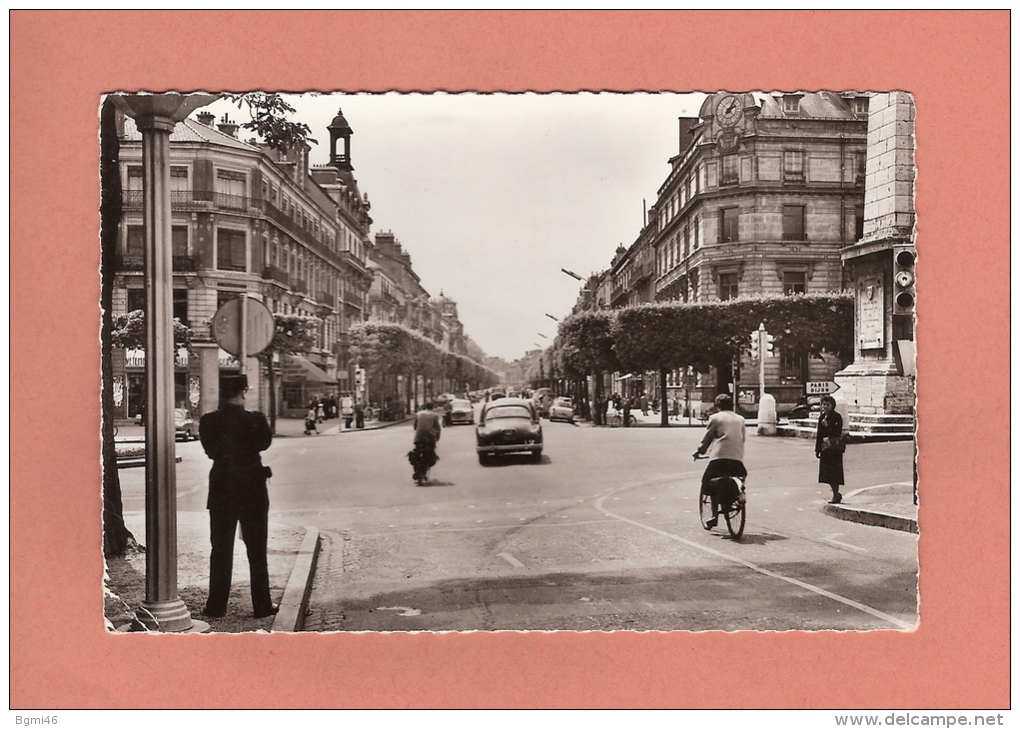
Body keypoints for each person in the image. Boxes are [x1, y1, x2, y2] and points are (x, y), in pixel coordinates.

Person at [198, 374, 277, 619]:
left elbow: (211, 451)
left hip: (222, 488)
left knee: (220, 550)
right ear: (243, 393)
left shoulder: (209, 422)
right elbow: (264, 443)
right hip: (253, 489)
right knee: (257, 550)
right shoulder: (256, 420)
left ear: (221, 393)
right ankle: (262, 605)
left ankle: (216, 606)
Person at [693, 393, 747, 529]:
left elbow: (707, 438)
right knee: (736, 476)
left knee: (708, 483)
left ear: (717, 406)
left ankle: (714, 516)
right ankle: (737, 495)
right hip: (737, 459)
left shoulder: (715, 418)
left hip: (719, 459)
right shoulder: (741, 419)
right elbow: (742, 439)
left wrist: (700, 451)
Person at [815, 395, 846, 504]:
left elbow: (837, 432)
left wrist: (827, 425)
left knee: (834, 473)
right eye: (823, 404)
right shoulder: (821, 417)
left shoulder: (837, 417)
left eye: (828, 404)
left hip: (834, 448)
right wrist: (817, 449)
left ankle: (835, 495)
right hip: (825, 448)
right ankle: (836, 494)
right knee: (826, 474)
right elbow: (819, 434)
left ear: (832, 405)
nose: (825, 406)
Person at [409, 402, 442, 483]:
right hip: (430, 438)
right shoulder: (435, 415)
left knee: (416, 452)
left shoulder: (418, 414)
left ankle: (417, 468)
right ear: (433, 407)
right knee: (430, 453)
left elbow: (415, 426)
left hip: (419, 437)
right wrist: (437, 437)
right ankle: (425, 467)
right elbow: (437, 427)